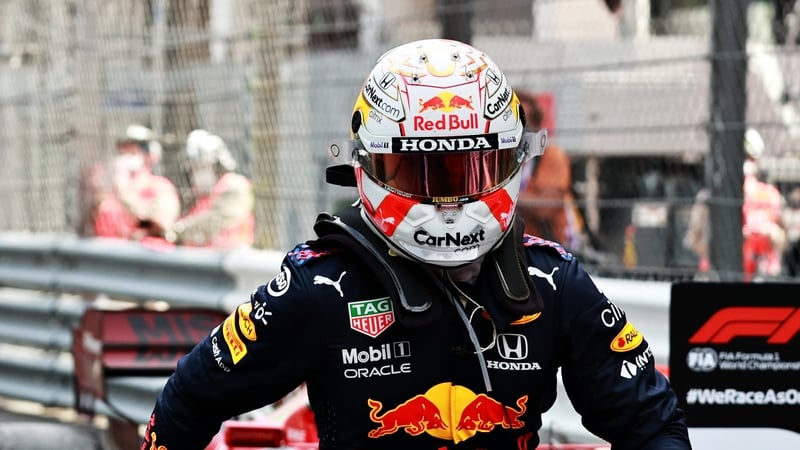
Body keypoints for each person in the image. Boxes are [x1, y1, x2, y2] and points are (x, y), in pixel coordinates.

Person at [142, 39, 691, 449]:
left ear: (513, 161)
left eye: (471, 169)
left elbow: (654, 424)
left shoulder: (553, 281)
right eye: (425, 171)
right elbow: (189, 400)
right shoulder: (319, 288)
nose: (448, 200)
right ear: (368, 166)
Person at [516, 90, 588, 254]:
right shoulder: (497, 159)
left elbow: (546, 207)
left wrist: (503, 197)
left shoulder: (551, 156)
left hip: (550, 250)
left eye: (524, 123)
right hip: (513, 248)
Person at [165, 129, 255, 249]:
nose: (197, 174)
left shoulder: (235, 186)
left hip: (227, 258)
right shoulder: (198, 194)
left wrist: (178, 231)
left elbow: (217, 220)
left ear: (217, 165)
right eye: (193, 168)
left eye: (202, 166)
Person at [92, 124, 181, 243]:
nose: (127, 154)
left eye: (134, 149)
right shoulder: (110, 187)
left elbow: (161, 223)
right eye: (124, 149)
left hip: (144, 254)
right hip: (108, 252)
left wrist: (123, 190)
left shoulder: (160, 186)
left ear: (148, 154)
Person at [741, 127, 787, 281]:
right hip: (727, 274)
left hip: (764, 277)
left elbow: (784, 239)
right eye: (743, 157)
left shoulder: (770, 194)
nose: (747, 163)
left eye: (751, 158)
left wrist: (771, 233)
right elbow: (696, 241)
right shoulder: (711, 197)